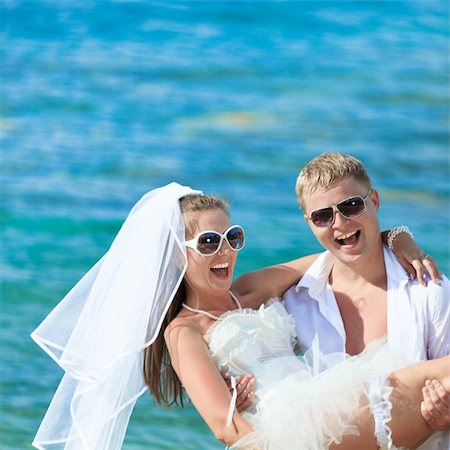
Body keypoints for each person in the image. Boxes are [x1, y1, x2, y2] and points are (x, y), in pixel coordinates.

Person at [31, 182, 449, 450]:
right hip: (293, 434)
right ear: (178, 255)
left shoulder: (248, 290)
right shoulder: (184, 332)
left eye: (233, 237)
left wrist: (400, 238)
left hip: (328, 404)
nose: (225, 251)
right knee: (430, 375)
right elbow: (222, 425)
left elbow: (340, 248)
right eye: (209, 241)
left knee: (429, 382)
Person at [235, 152, 450, 449]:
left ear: (373, 201)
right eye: (323, 216)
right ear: (310, 223)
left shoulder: (428, 289)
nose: (340, 222)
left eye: (351, 206)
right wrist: (243, 395)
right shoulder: (298, 302)